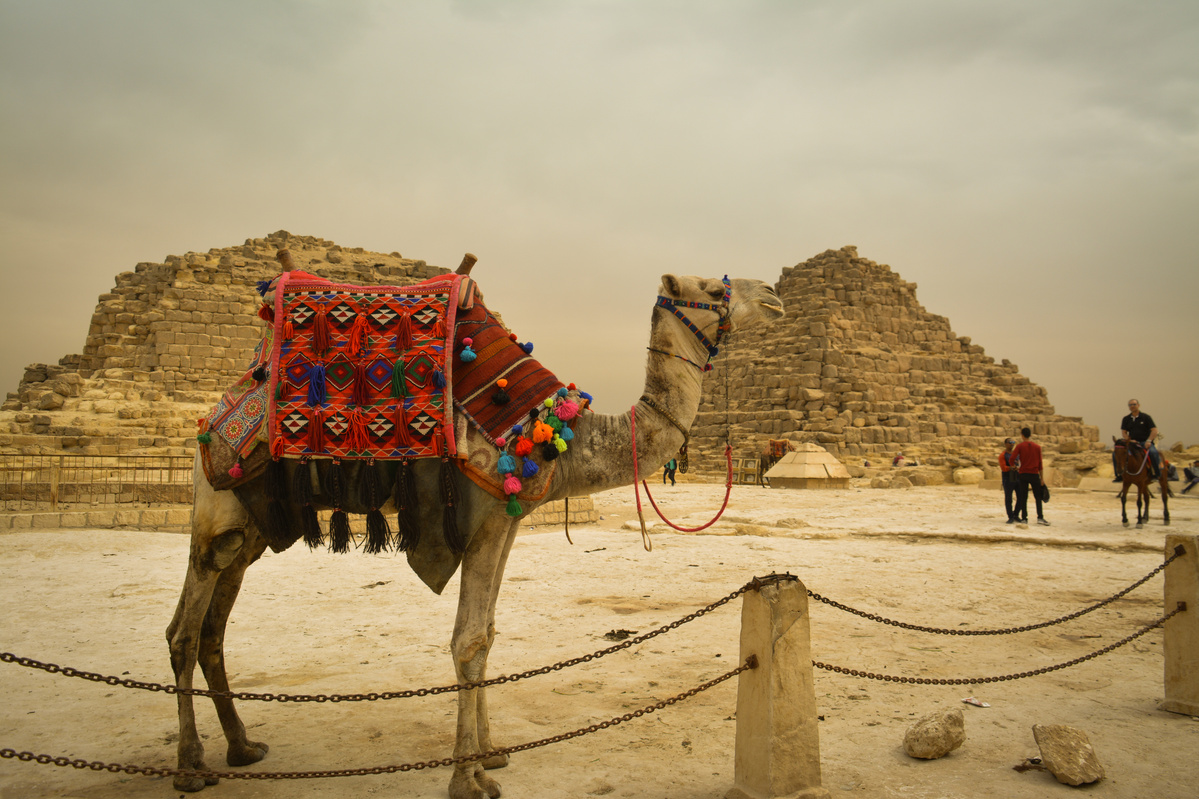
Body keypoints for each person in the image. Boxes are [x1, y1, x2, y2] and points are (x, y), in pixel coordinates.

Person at [1012, 427, 1049, 526]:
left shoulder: (1020, 446)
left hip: (1023, 474)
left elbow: (1012, 458)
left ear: (1022, 435)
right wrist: (1042, 478)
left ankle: (1024, 518)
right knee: (1038, 497)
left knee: (1024, 497)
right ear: (1030, 435)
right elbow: (1040, 464)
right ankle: (1040, 517)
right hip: (1034, 474)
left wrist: (1016, 467)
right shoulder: (1037, 447)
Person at [1119, 399, 1162, 480]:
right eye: (1130, 405)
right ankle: (1119, 475)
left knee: (1153, 452)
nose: (1132, 406)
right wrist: (1129, 440)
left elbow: (1154, 430)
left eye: (1134, 404)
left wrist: (1148, 441)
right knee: (1116, 454)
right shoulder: (1126, 419)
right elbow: (1124, 432)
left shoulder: (1146, 417)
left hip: (1145, 442)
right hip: (1132, 443)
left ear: (1138, 405)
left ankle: (1157, 474)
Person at [998, 438, 1019, 523]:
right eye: (1010, 442)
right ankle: (1010, 516)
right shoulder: (1003, 455)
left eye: (1013, 442)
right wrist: (1011, 468)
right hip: (1008, 477)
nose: (1012, 444)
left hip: (1017, 476)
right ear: (1005, 444)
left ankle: (1016, 514)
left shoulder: (1017, 454)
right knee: (1008, 498)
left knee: (1021, 497)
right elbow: (1003, 468)